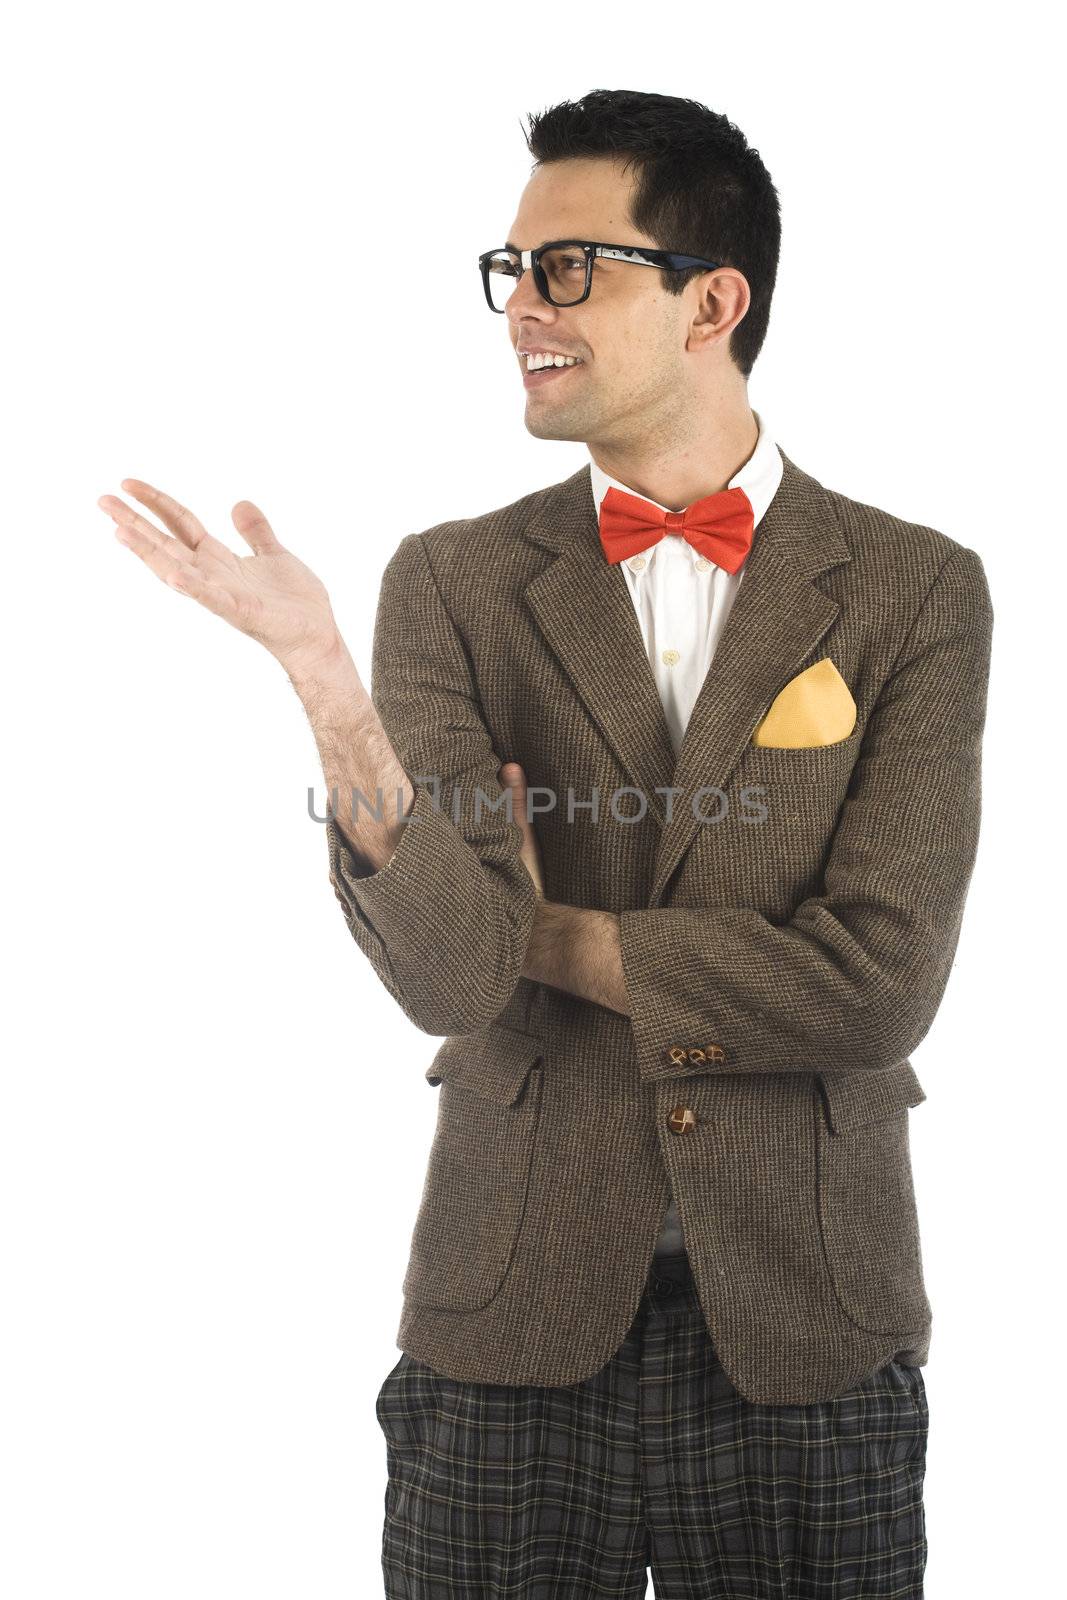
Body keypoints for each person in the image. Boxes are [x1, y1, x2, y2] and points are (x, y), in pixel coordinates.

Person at [100, 88, 993, 1600]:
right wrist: (325, 683)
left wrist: (553, 934)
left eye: (568, 265)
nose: (524, 307)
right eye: (509, 271)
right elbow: (452, 972)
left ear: (714, 299)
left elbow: (877, 987)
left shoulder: (915, 590)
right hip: (510, 1307)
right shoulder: (450, 582)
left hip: (804, 1313)